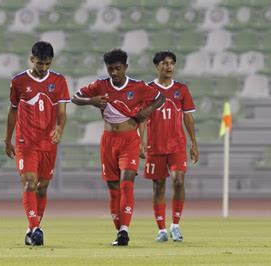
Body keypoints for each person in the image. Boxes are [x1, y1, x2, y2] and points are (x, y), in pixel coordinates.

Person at [71, 49, 165, 246]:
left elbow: (160, 97)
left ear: (126, 67)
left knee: (126, 182)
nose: (114, 72)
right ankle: (119, 231)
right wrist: (91, 101)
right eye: (110, 69)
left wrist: (147, 110)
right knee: (113, 188)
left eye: (118, 68)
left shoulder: (138, 86)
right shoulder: (100, 85)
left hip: (130, 139)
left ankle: (125, 230)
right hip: (108, 141)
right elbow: (75, 97)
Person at [4, 41, 71, 246]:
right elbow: (13, 110)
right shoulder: (18, 81)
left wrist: (60, 129)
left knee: (42, 188)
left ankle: (31, 229)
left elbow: (61, 112)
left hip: (48, 143)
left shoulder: (59, 81)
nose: (43, 68)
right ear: (32, 59)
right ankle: (35, 228)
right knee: (29, 183)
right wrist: (8, 139)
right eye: (40, 63)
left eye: (47, 64)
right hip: (26, 142)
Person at [139, 51, 198, 242]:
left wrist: (193, 144)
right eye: (165, 63)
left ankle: (175, 225)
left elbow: (188, 117)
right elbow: (141, 117)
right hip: (155, 147)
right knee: (158, 187)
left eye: (172, 63)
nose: (169, 67)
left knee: (179, 181)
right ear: (157, 66)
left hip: (177, 146)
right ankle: (161, 229)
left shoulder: (181, 90)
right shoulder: (147, 90)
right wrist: (141, 140)